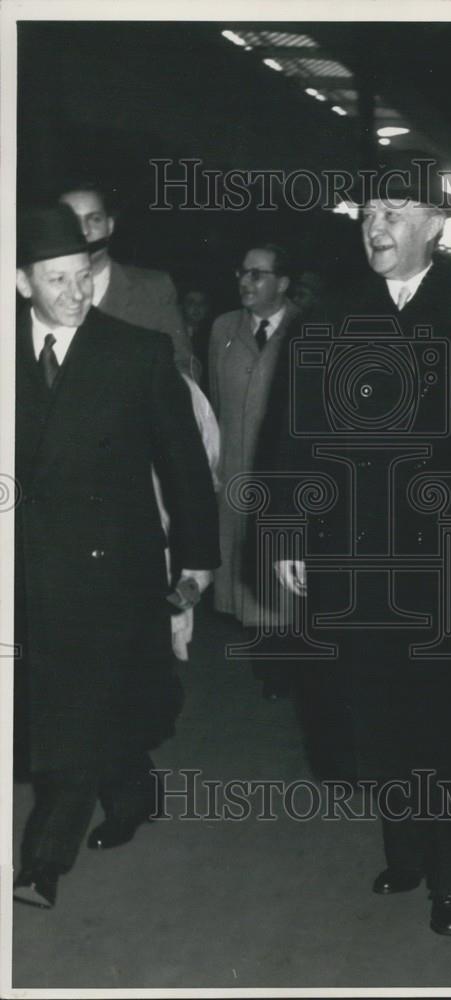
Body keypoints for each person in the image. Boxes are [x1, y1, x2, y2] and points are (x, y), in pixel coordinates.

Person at [271, 153, 451, 935]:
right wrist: (287, 525)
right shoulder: (327, 316)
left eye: (392, 212)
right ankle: (406, 850)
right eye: (367, 214)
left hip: (448, 556)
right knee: (376, 710)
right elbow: (292, 432)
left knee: (441, 722)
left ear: (436, 224)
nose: (375, 226)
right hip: (355, 554)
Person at [13, 204, 220, 909]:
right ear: (21, 282)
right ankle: (134, 791)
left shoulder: (136, 352)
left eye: (83, 277)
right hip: (26, 568)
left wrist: (197, 560)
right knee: (84, 706)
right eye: (57, 279)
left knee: (79, 710)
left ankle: (44, 862)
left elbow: (185, 466)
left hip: (111, 565)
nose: (76, 293)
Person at [209, 243, 301, 698]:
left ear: (282, 282)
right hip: (235, 474)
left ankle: (285, 664)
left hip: (286, 478)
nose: (245, 281)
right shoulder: (223, 328)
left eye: (258, 274)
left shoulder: (308, 328)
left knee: (284, 573)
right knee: (248, 573)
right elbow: (213, 402)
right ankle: (270, 658)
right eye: (242, 272)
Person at [59, 182, 196, 376]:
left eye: (94, 219)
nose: (84, 231)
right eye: (71, 221)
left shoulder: (154, 289)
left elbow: (183, 363)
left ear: (110, 226)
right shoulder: (38, 292)